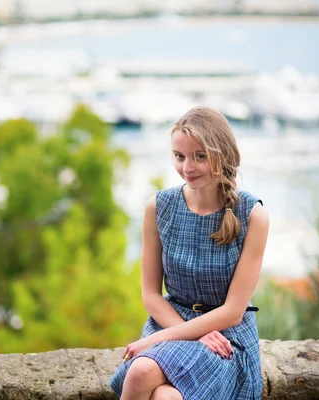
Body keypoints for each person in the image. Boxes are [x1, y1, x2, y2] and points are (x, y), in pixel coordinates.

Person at [109, 106, 269, 400]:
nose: (187, 168)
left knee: (143, 372)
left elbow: (233, 312)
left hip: (225, 339)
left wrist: (156, 339)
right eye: (179, 156)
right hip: (172, 321)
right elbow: (151, 295)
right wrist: (190, 331)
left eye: (200, 156)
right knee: (161, 393)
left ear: (223, 156)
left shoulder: (252, 216)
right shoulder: (159, 207)